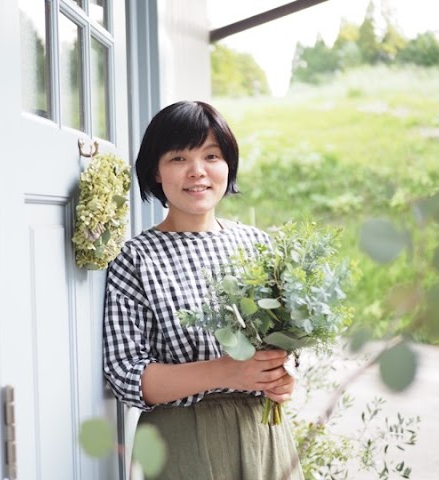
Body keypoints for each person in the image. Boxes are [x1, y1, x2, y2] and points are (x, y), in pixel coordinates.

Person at [103, 100, 303, 479]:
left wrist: (282, 372)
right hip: (181, 441)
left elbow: (286, 342)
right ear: (157, 172)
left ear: (228, 165)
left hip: (266, 435)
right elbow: (127, 375)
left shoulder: (259, 246)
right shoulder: (136, 258)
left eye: (212, 156)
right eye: (178, 158)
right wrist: (226, 372)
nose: (198, 172)